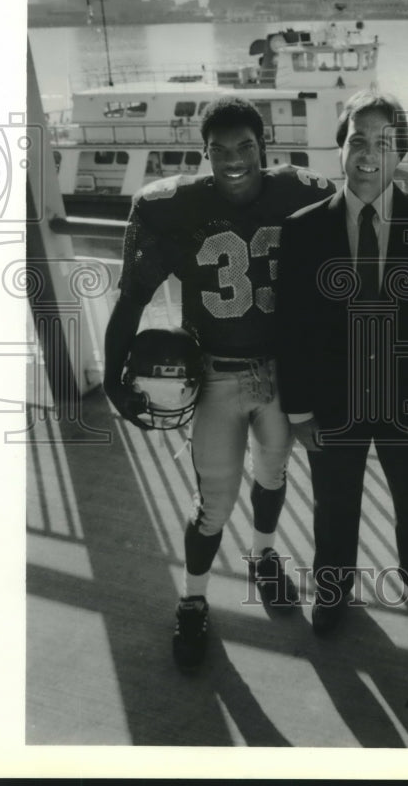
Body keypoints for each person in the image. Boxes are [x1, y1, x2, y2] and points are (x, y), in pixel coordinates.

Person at [103, 96, 335, 668]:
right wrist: (112, 379)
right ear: (204, 152)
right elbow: (132, 300)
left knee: (274, 473)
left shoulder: (302, 191)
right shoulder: (171, 206)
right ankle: (194, 600)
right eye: (220, 150)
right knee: (214, 501)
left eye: (246, 147)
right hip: (214, 376)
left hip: (281, 371)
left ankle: (262, 557)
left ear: (265, 146)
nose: (234, 159)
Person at [275, 90, 408, 635]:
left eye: (383, 143)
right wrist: (300, 410)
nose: (367, 155)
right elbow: (293, 327)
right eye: (357, 140)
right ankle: (333, 593)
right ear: (341, 148)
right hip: (333, 401)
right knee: (332, 505)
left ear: (399, 153)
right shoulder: (304, 229)